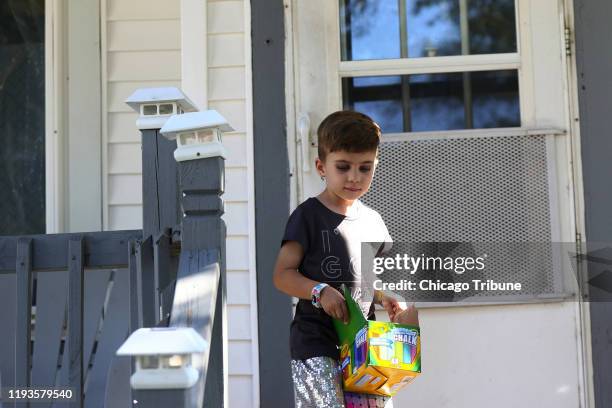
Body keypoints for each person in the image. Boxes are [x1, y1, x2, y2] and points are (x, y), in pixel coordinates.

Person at [273, 110, 418, 408]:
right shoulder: (308, 216)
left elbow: (362, 282)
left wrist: (383, 296)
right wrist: (320, 291)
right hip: (316, 344)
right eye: (343, 167)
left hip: (363, 346)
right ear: (321, 166)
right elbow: (282, 275)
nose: (354, 177)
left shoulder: (373, 222)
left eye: (365, 168)